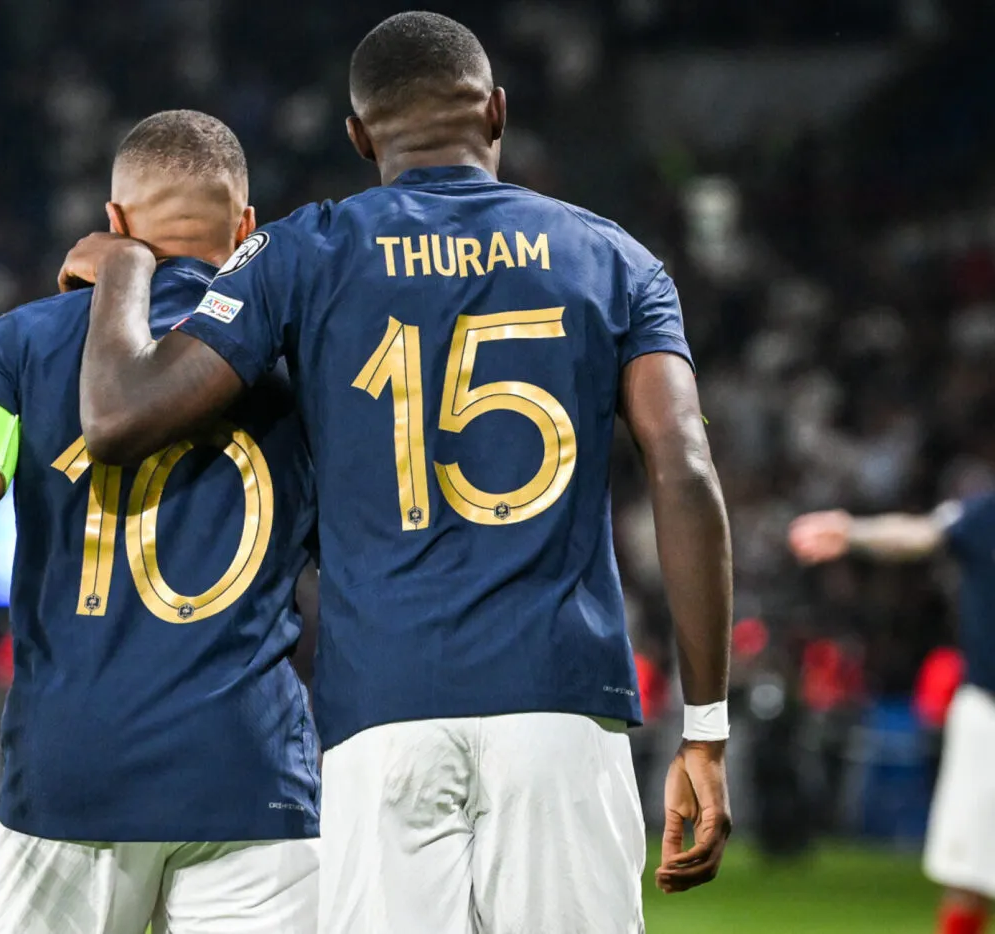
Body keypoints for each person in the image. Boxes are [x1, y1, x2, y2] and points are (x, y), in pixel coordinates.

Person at [61, 11, 733, 933]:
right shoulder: (613, 257)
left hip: (384, 710)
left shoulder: (302, 250)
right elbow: (686, 469)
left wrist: (124, 268)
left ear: (358, 134)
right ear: (495, 112)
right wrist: (704, 726)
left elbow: (117, 419)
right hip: (561, 705)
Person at [0, 110, 320, 934]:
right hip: (254, 777)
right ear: (245, 231)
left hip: (72, 782)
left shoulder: (13, 347)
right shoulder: (297, 353)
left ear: (114, 224)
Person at [790, 495, 995, 934]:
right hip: (986, 712)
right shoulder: (986, 514)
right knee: (968, 870)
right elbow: (923, 533)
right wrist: (852, 531)